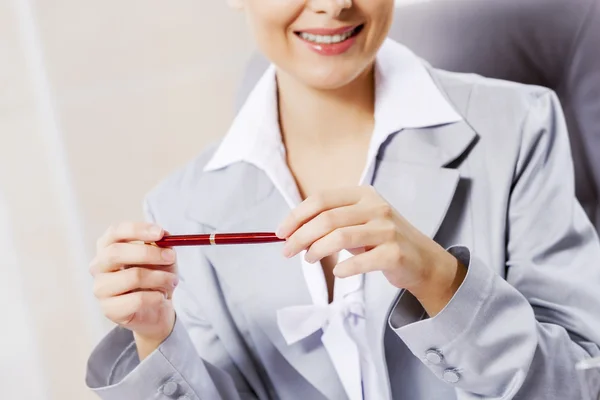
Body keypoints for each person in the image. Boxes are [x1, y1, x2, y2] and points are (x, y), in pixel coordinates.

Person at [85, 0, 600, 399]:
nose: (334, 4)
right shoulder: (180, 205)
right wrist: (154, 340)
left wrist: (440, 280)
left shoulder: (520, 126)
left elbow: (579, 385)